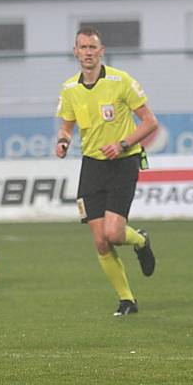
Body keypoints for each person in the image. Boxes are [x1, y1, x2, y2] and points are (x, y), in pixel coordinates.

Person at [56, 26, 158, 316]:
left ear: (101, 51)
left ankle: (140, 240)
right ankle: (127, 300)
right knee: (100, 241)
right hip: (92, 166)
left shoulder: (120, 80)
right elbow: (66, 126)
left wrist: (123, 144)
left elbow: (150, 122)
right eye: (82, 47)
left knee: (114, 233)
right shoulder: (69, 89)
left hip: (123, 163)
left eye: (92, 47)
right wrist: (63, 142)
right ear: (75, 52)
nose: (87, 52)